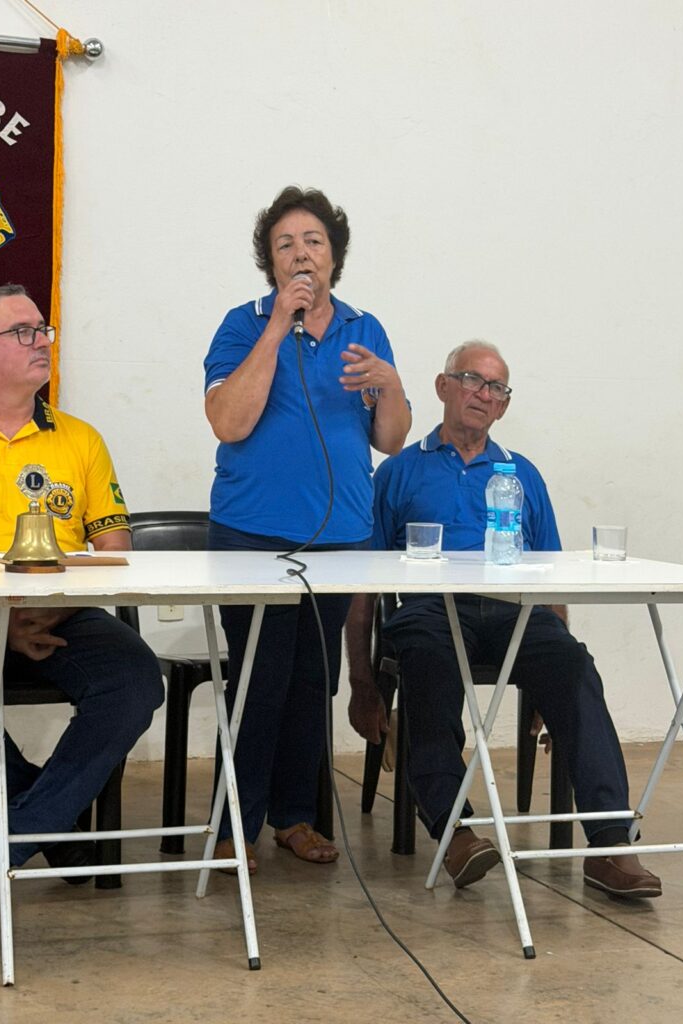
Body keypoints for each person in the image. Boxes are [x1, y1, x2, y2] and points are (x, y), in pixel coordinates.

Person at [345, 341, 662, 898]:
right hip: (430, 611)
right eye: (472, 379)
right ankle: (455, 832)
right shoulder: (398, 472)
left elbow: (551, 575)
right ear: (443, 387)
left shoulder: (522, 475)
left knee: (572, 666)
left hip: (515, 610)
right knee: (428, 664)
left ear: (504, 405)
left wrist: (548, 664)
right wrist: (362, 681)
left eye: (496, 387)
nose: (483, 394)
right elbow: (362, 585)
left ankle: (611, 843)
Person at [204, 186, 411, 871]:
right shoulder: (243, 324)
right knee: (260, 678)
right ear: (270, 261)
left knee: (312, 681)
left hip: (340, 538)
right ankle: (235, 823)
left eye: (313, 241)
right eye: (285, 243)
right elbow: (228, 421)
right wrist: (276, 329)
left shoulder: (364, 328)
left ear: (334, 255)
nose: (301, 253)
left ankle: (294, 815)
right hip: (251, 535)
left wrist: (391, 385)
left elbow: (390, 439)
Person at [0, 284, 164, 898]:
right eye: (23, 332)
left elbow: (114, 551)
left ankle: (11, 839)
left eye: (43, 329)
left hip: (62, 610)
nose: (41, 341)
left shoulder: (80, 438)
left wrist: (46, 608)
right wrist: (0, 613)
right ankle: (55, 827)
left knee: (135, 682)